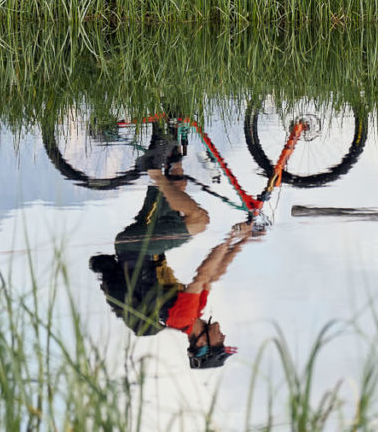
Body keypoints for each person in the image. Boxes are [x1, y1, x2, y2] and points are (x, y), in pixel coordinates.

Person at [87, 158, 254, 369]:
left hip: (136, 248)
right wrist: (241, 242)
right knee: (176, 185)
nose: (223, 336)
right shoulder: (196, 312)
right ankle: (168, 147)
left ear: (202, 342)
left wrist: (231, 236)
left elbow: (203, 273)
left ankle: (155, 171)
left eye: (220, 342)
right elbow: (214, 274)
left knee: (199, 220)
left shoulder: (182, 318)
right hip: (143, 247)